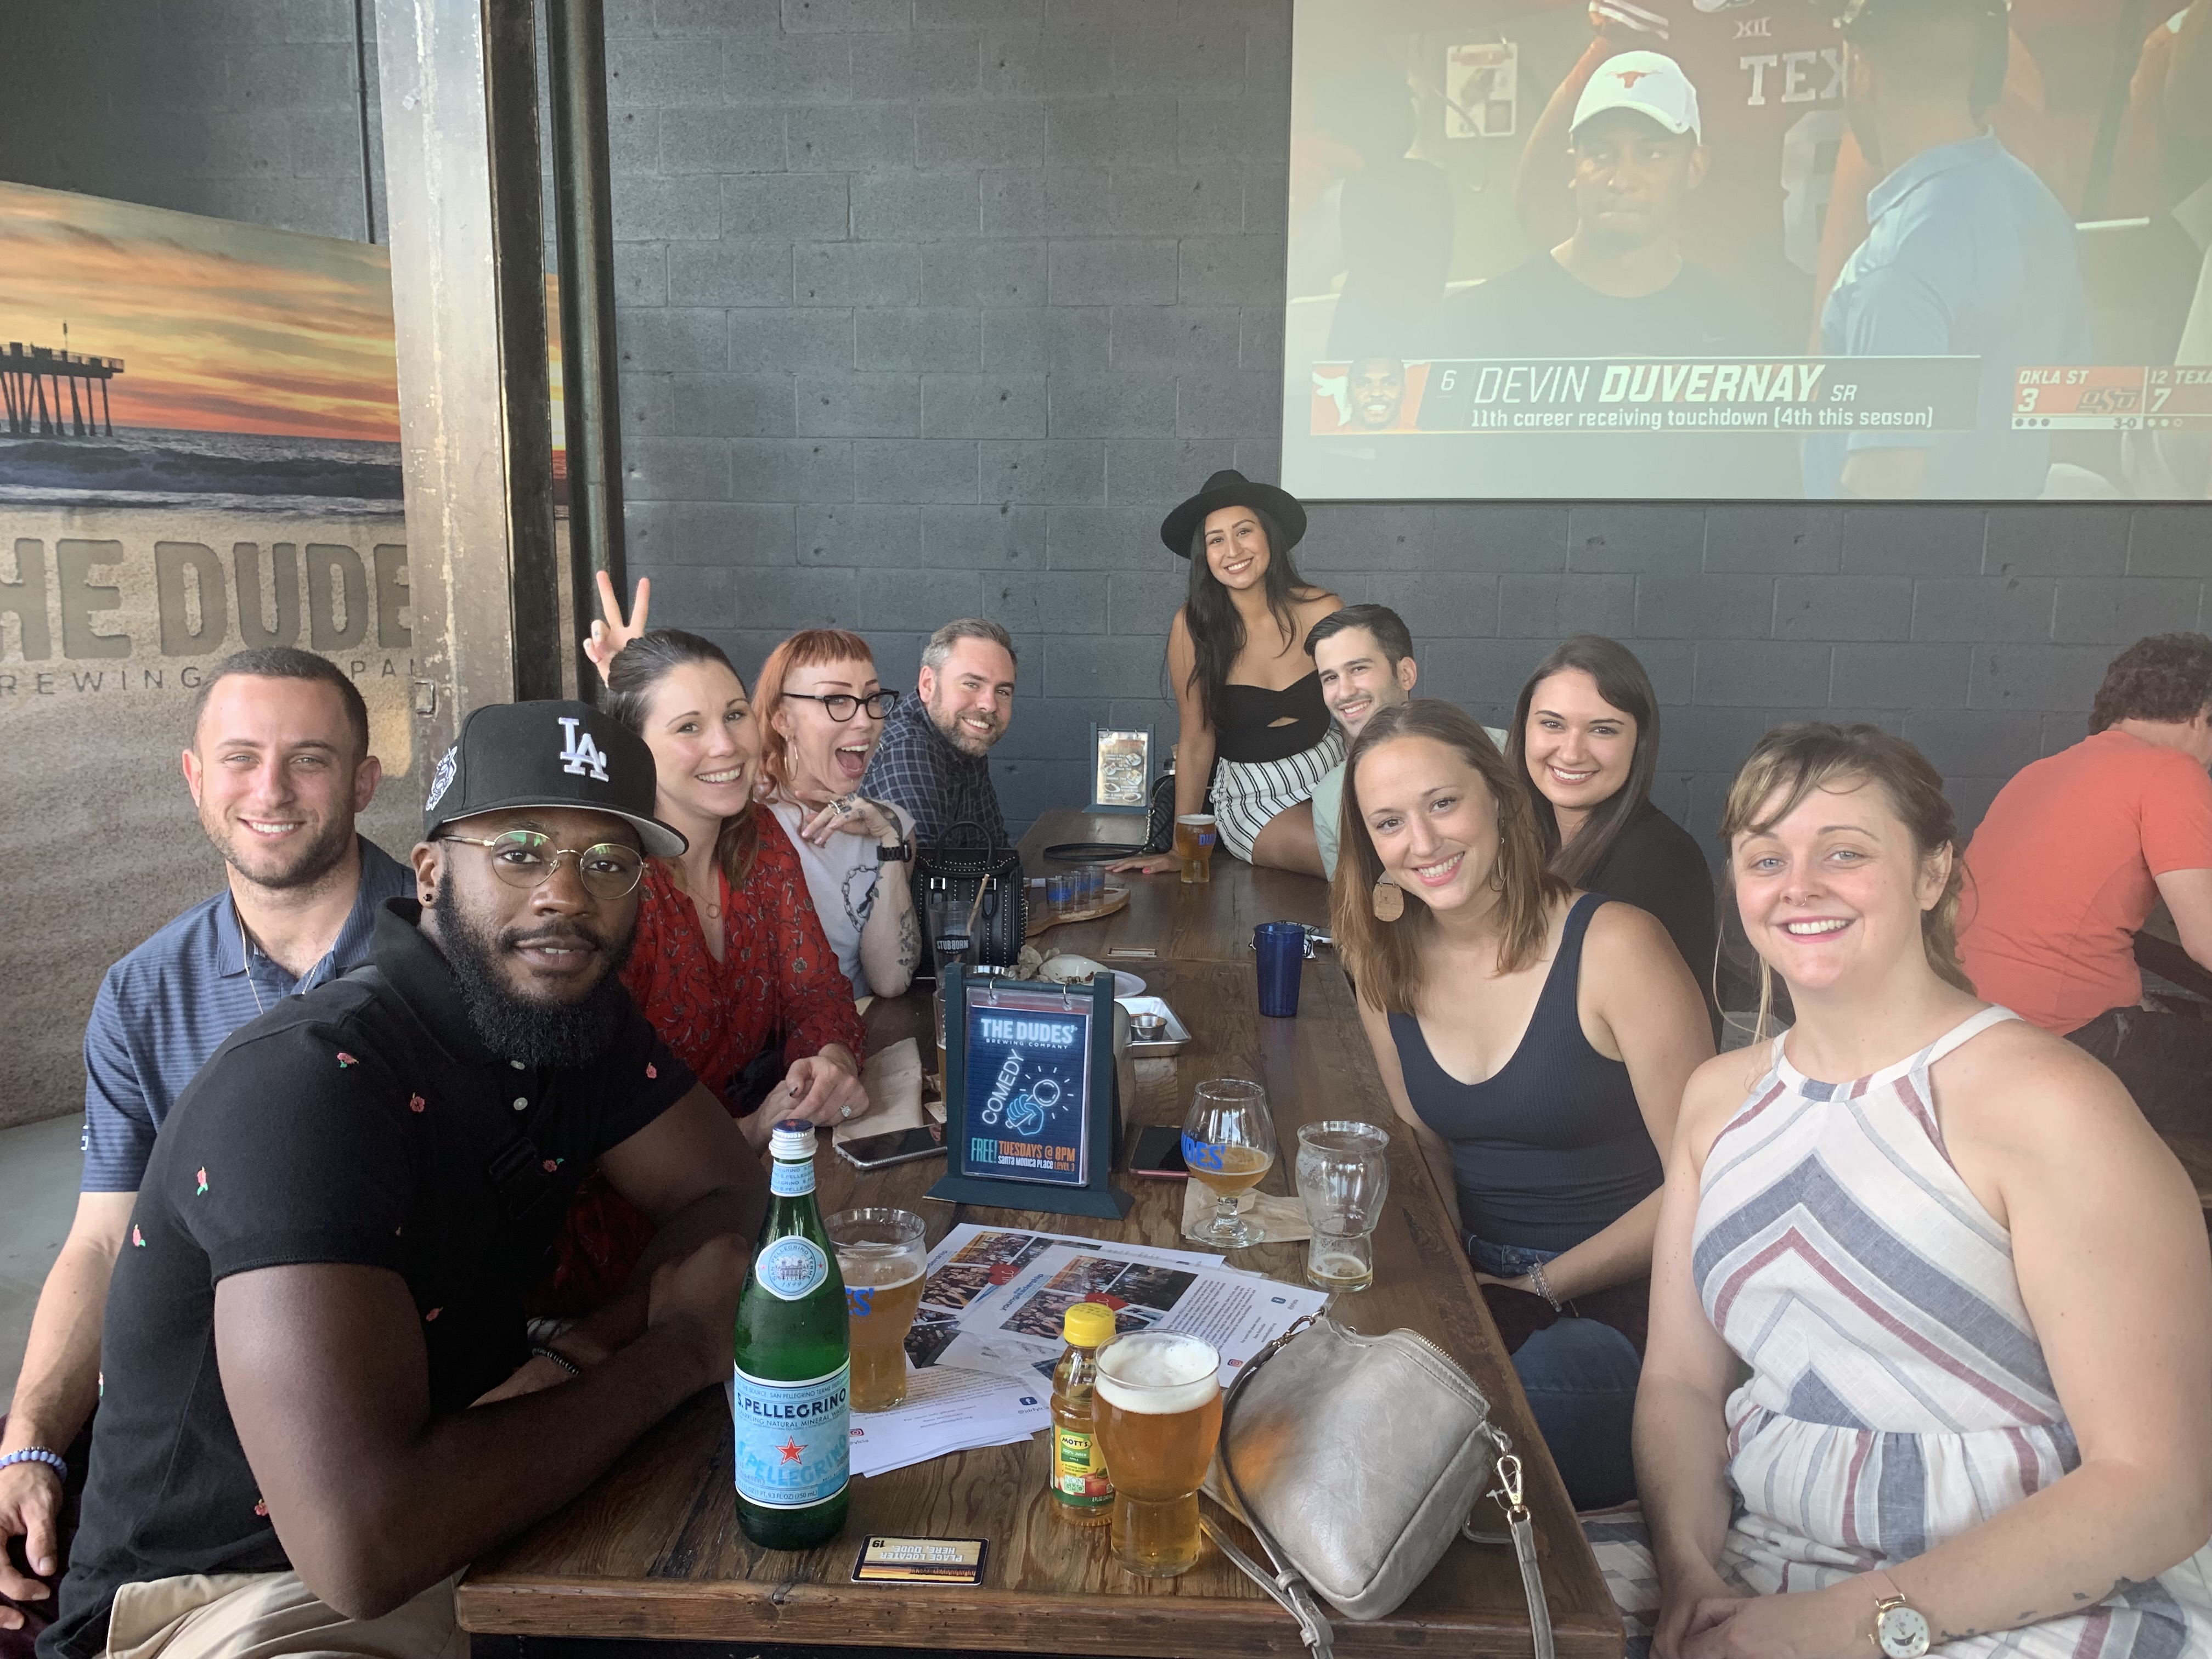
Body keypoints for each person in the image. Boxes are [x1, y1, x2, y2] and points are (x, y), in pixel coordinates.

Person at [38, 698, 768, 1659]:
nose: (564, 893)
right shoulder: (308, 1084)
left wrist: (584, 1353)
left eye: (606, 862)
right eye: (519, 851)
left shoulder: (573, 1017)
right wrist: (674, 1350)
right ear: (430, 873)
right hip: (224, 1597)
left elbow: (730, 1195)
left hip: (470, 1504)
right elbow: (363, 1548)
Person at [1604, 723, 2212, 1659]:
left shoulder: (2049, 1101)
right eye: (1766, 857)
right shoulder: (1719, 1098)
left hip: (2026, 1594)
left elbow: (2156, 1487)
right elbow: (1682, 1381)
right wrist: (1688, 1571)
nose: (1799, 884)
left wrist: (1837, 1625)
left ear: (1934, 873)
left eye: (1845, 852)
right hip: (1764, 1557)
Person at [0, 647, 410, 1645]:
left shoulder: (448, 950)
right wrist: (30, 1442)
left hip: (405, 1436)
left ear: (364, 780)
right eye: (240, 758)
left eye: (308, 759)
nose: (270, 790)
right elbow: (105, 1240)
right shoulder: (144, 991)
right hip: (200, 1464)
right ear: (194, 777)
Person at [1334, 699, 1713, 1509]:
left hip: (1636, 1302)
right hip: (1484, 1286)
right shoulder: (1381, 961)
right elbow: (1426, 1145)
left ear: (1501, 801)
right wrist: (1446, 1283)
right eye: (1390, 823)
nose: (1423, 843)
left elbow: (1707, 1177)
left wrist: (1537, 1286)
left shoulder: (1617, 944)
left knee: (1464, 1429)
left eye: (1444, 803)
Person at [531, 628, 869, 1317]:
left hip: (759, 1192)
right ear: (634, 749)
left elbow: (818, 992)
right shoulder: (609, 881)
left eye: (735, 714)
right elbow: (580, 1123)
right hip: (631, 1264)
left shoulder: (763, 841)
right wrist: (744, 1131)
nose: (727, 745)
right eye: (689, 727)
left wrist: (828, 1060)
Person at [1434, 53, 1795, 498]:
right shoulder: (1473, 329)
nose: (1622, 178)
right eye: (1601, 154)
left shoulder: (1748, 342)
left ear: (1695, 167)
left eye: (1651, 153)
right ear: (1572, 168)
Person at [1806, 0, 2092, 501]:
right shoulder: (2041, 209)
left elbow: (1883, 487)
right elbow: (2069, 409)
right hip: (2008, 542)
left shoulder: (1898, 262)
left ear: (1860, 68)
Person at [1958, 633, 2212, 1136]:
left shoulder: (2041, 771)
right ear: (2201, 715)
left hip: (1975, 1024)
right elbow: (2206, 940)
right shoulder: (2172, 771)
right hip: (2062, 1040)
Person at [1111, 471, 1345, 878]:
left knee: (1405, 842)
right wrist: (1181, 849)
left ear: (1269, 535)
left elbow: (1359, 711)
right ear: (1204, 554)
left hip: (1335, 771)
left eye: (1244, 531)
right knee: (1351, 857)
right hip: (1256, 795)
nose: (1233, 550)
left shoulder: (1323, 609)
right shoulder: (1192, 628)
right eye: (1216, 540)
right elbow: (1196, 739)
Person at [1506, 637, 1718, 1030]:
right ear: (1523, 729)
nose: (1571, 753)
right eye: (1552, 724)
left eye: (1603, 730)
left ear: (1639, 743)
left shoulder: (1661, 863)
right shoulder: (1517, 839)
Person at [753, 629, 918, 999]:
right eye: (837, 699)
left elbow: (890, 980)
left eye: (872, 698)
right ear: (783, 720)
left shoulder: (893, 825)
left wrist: (889, 841)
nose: (865, 721)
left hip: (860, 1029)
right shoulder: (746, 821)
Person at [1303, 604, 1508, 881]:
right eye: (1331, 678)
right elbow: (1351, 900)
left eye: (1359, 669)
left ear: (1405, 674)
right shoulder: (1330, 797)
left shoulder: (1501, 750)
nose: (1345, 692)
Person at [861, 617, 1017, 850]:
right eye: (972, 684)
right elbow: (928, 867)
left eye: (1002, 691)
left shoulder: (963, 739)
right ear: (928, 684)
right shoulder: (908, 748)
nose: (989, 705)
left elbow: (993, 851)